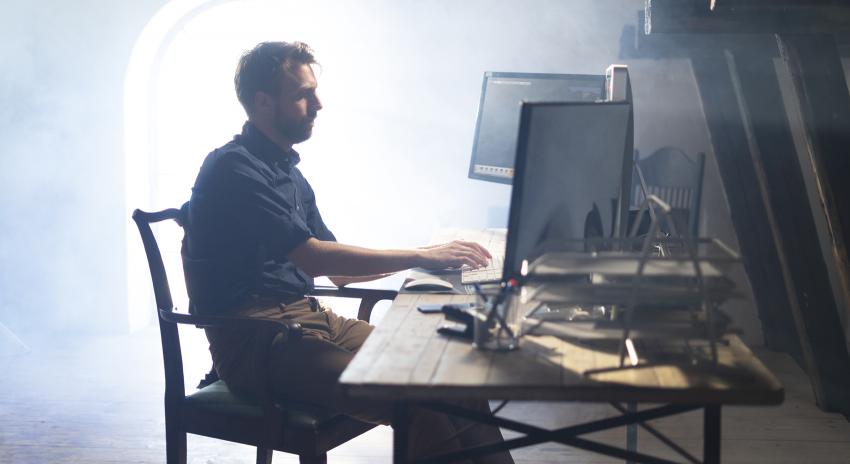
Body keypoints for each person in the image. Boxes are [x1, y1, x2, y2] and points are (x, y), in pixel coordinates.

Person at [182, 41, 514, 463]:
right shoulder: (234, 168)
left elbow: (339, 273)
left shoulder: (288, 173)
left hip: (310, 321)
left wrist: (430, 254)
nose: (318, 103)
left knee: (454, 379)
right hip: (256, 341)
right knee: (416, 405)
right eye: (302, 94)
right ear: (263, 103)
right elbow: (316, 258)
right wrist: (421, 256)